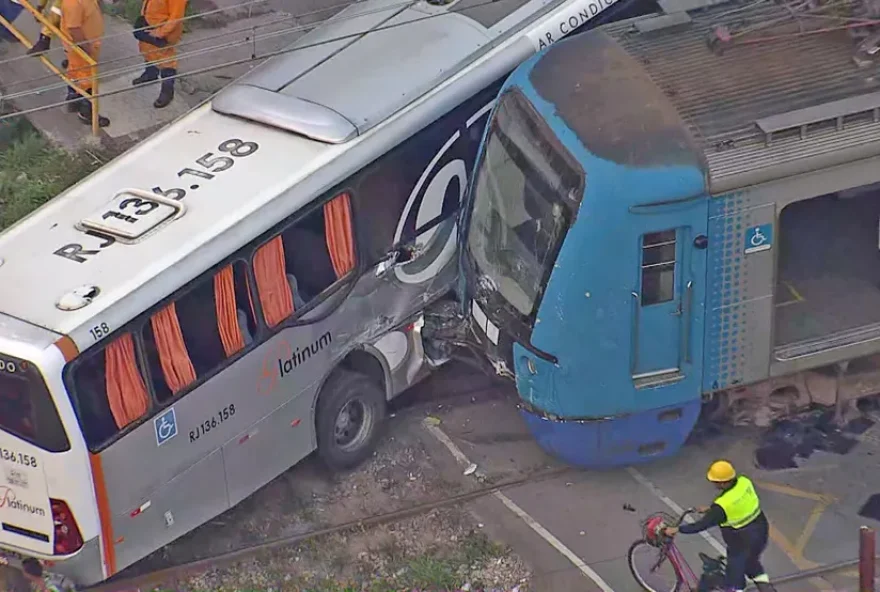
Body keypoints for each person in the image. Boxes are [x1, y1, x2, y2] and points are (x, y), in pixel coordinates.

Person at [662, 460, 777, 592]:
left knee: (734, 580)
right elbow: (737, 503)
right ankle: (765, 587)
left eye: (715, 481)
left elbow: (701, 525)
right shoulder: (744, 482)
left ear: (722, 482)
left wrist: (676, 529)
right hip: (760, 533)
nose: (713, 484)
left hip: (740, 542)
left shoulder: (722, 506)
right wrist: (712, 509)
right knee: (751, 562)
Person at [60, 0, 109, 126]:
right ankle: (86, 112)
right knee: (87, 80)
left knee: (75, 73)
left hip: (84, 45)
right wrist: (87, 50)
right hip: (81, 48)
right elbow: (74, 29)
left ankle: (73, 100)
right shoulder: (73, 3)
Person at [132, 0, 187, 109]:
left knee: (166, 62)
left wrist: (161, 33)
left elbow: (176, 17)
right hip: (150, 25)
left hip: (163, 31)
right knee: (148, 51)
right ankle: (150, 74)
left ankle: (167, 91)